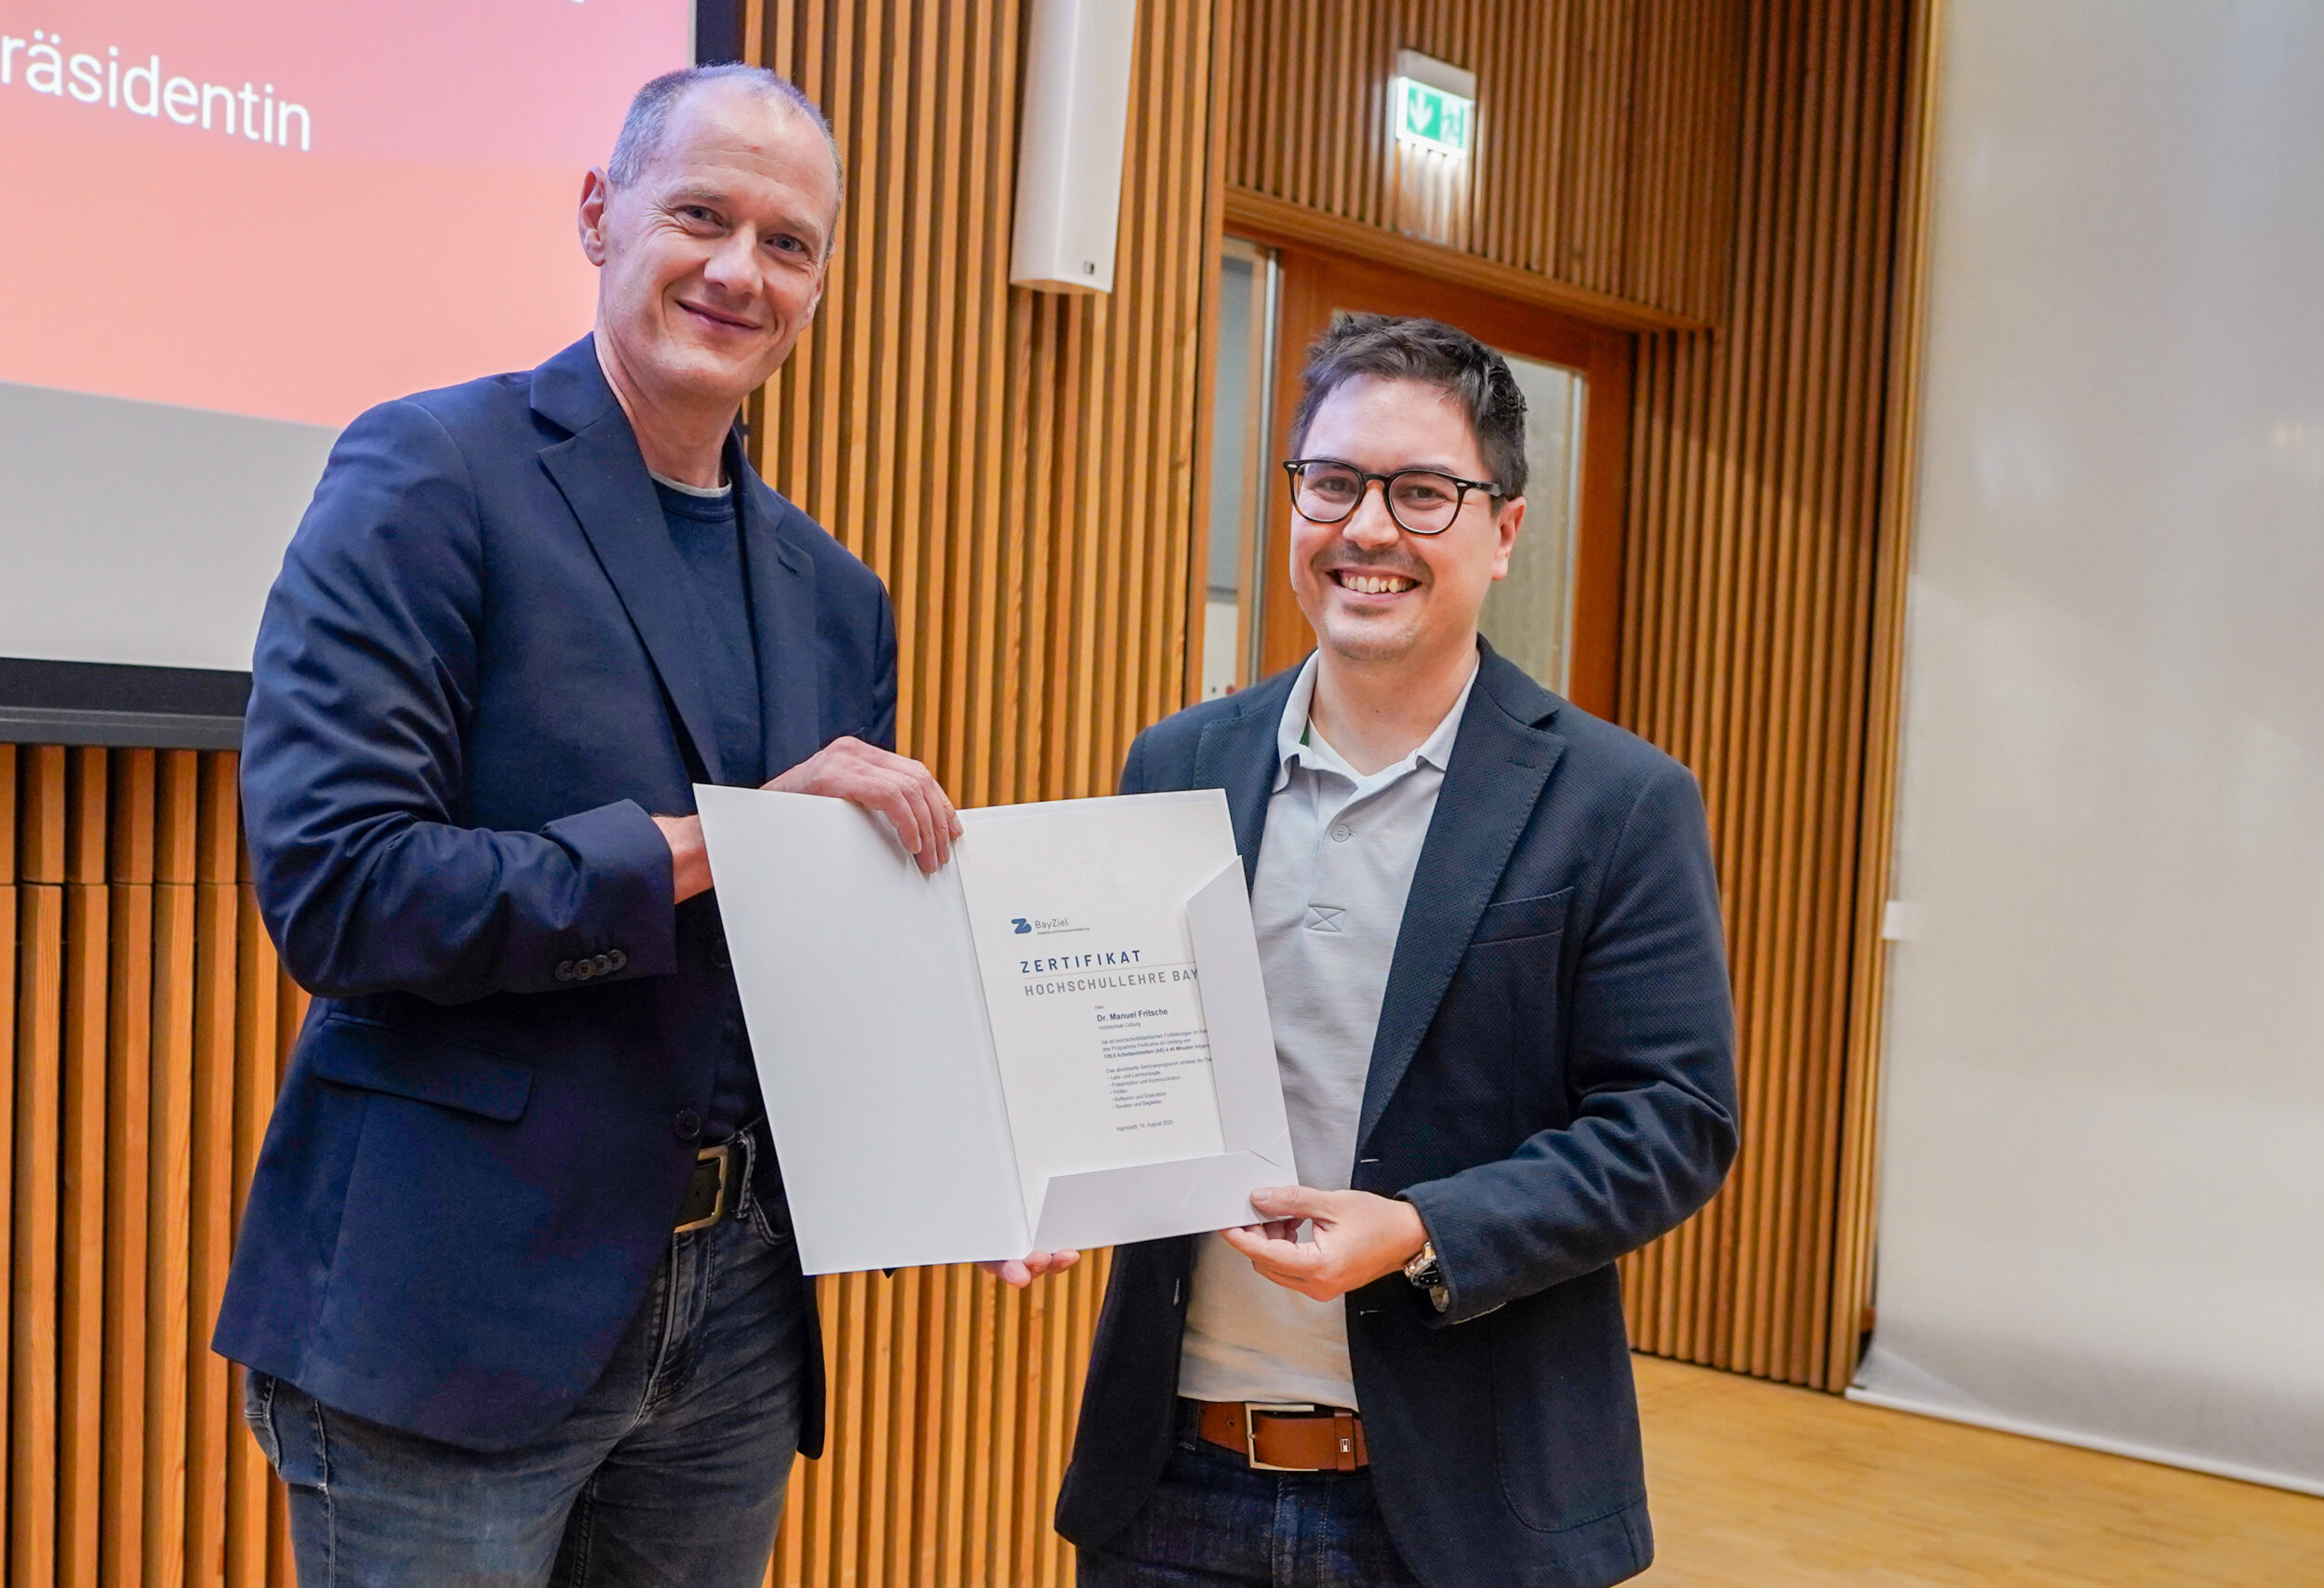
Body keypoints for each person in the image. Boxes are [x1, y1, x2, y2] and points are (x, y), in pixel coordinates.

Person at [217, 64, 1066, 1587]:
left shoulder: (836, 590)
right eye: (702, 215)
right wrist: (719, 841)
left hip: (730, 1320)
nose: (742, 270)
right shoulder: (427, 474)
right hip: (452, 1308)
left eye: (789, 242)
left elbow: (819, 955)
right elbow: (341, 892)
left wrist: (979, 1159)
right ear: (600, 215)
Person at [1056, 314, 1741, 1588]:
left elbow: (1675, 1121)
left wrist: (1425, 1227)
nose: (1367, 528)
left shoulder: (1617, 800)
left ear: (1505, 530)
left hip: (1467, 1504)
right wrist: (1052, 1169)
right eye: (1333, 482)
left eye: (1423, 493)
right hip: (1173, 1486)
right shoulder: (1180, 764)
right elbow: (1122, 1054)